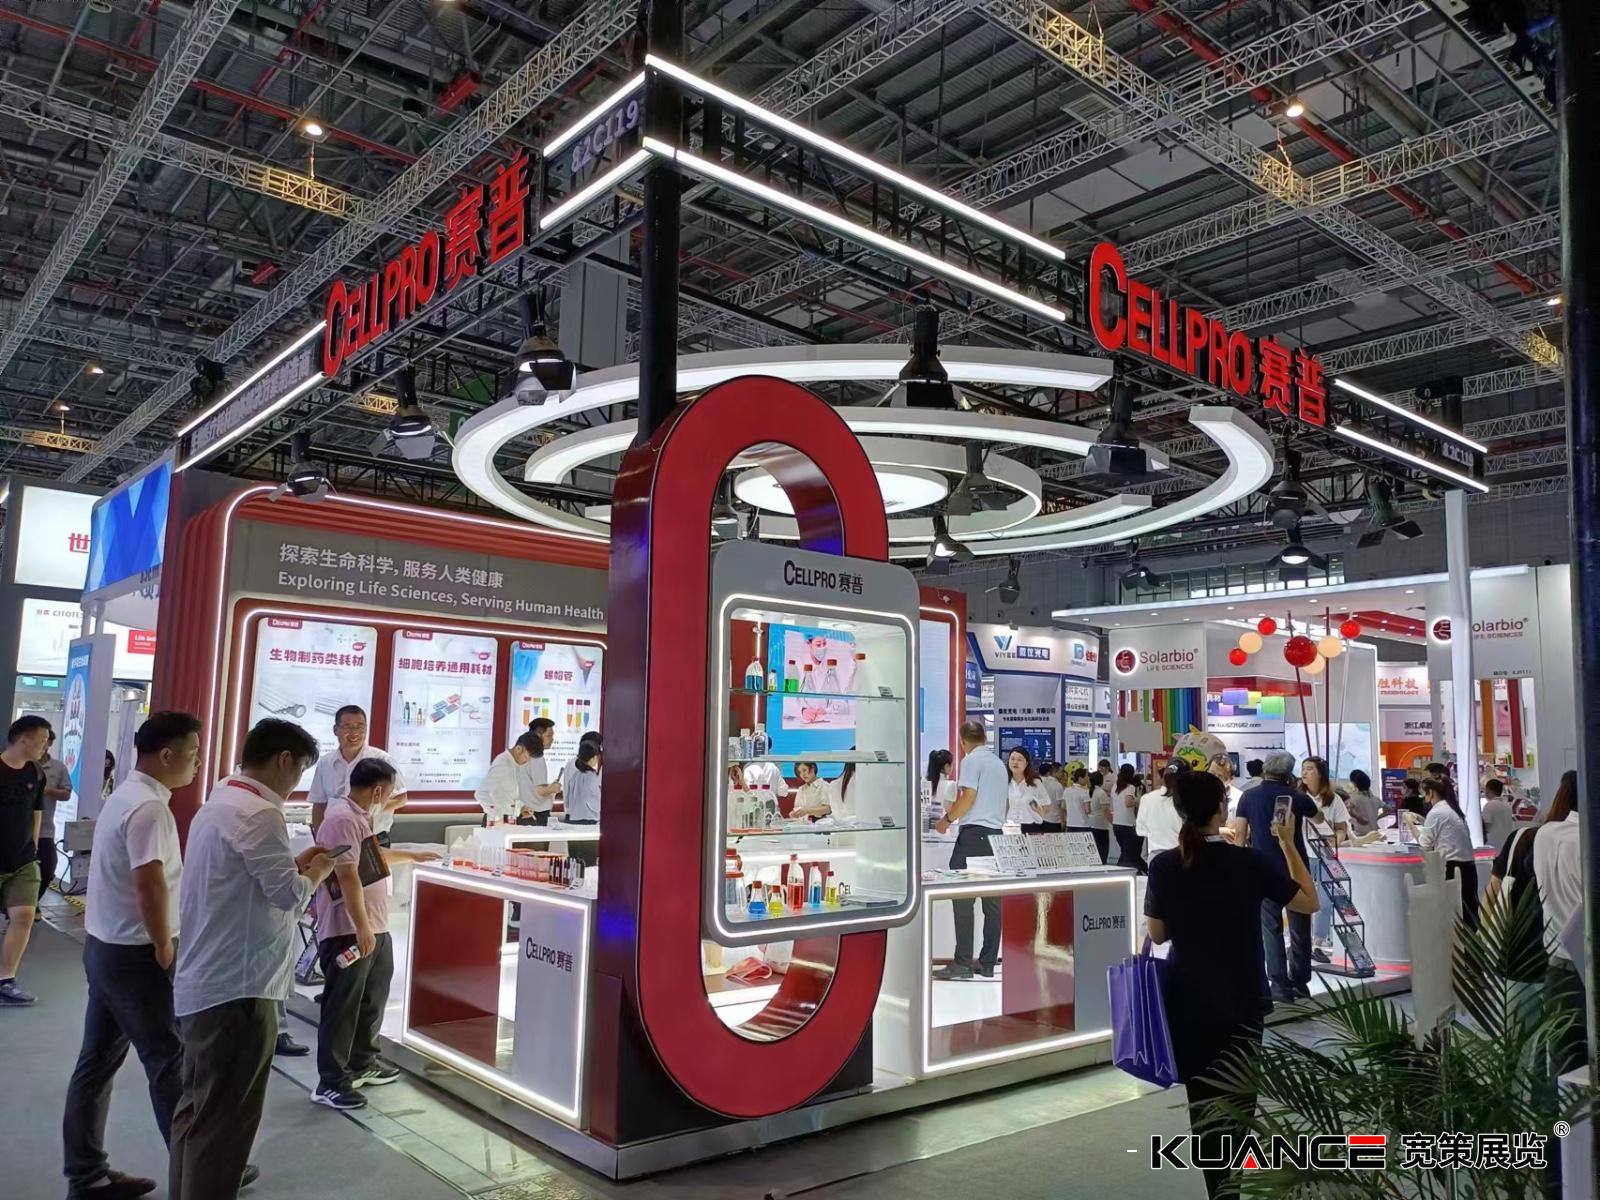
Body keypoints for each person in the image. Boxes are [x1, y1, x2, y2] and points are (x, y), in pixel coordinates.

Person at [169, 719, 335, 1200]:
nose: (297, 782)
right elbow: (287, 895)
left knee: (196, 1111)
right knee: (226, 1124)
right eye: (300, 769)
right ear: (284, 760)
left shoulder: (221, 799)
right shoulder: (261, 813)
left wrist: (294, 866)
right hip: (240, 988)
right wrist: (318, 870)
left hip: (205, 979)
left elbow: (249, 880)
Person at [1146, 770, 1319, 1200]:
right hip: (1242, 1000)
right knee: (1239, 1104)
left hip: (1188, 1002)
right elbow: (1308, 902)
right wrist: (1287, 843)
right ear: (1221, 809)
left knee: (1203, 1106)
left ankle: (1218, 1192)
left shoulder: (1165, 865)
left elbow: (1158, 934)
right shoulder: (1248, 862)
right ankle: (1233, 1190)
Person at [62, 712, 203, 1200]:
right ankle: (197, 1173)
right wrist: (164, 945)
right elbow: (149, 883)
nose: (197, 762)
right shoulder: (149, 809)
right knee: (169, 1061)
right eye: (193, 752)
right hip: (136, 955)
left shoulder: (127, 795)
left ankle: (87, 1175)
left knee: (96, 1063)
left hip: (105, 949)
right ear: (166, 755)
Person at [311, 758, 438, 1109]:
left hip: (375, 924)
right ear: (379, 791)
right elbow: (347, 875)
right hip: (349, 929)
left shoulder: (359, 817)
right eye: (391, 792)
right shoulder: (341, 819)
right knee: (343, 1004)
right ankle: (331, 1081)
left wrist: (412, 856)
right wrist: (362, 927)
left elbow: (371, 857)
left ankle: (362, 1061)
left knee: (372, 996)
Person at [1234, 750, 1318, 1002]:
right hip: (1295, 868)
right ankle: (1300, 983)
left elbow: (1240, 835)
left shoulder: (1248, 796)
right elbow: (1318, 816)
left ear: (1265, 769)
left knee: (1270, 928)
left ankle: (1279, 986)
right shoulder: (1296, 797)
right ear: (1288, 773)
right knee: (1300, 929)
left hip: (1263, 870)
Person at [932, 721, 1006, 980]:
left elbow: (969, 797)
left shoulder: (971, 761)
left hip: (974, 835)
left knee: (962, 897)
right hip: (996, 836)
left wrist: (947, 820)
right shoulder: (998, 764)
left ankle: (962, 962)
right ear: (984, 737)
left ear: (963, 742)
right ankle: (987, 962)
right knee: (992, 904)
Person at [1531, 770, 1586, 1072]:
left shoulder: (1544, 835)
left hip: (1558, 965)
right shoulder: (1586, 840)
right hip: (1586, 968)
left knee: (1565, 1066)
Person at [0, 714, 51, 1005]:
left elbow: (36, 813)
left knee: (23, 916)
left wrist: (32, 850)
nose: (45, 746)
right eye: (41, 741)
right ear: (23, 740)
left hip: (23, 861)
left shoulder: (36, 773)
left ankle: (5, 979)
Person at [307, 705, 406, 843]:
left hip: (373, 838)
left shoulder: (383, 760)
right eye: (348, 727)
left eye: (360, 727)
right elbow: (319, 805)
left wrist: (369, 810)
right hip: (336, 837)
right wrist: (319, 839)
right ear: (335, 730)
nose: (355, 732)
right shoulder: (325, 763)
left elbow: (401, 798)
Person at [1404, 776, 1479, 929]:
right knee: (1469, 916)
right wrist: (1420, 819)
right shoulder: (1453, 810)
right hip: (1468, 868)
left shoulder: (1437, 812)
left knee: (1451, 917)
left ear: (1431, 792)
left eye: (1424, 794)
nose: (1423, 798)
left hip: (1451, 868)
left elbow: (1424, 844)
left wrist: (1409, 823)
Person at [1300, 756, 1349, 963]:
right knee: (1300, 900)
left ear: (1320, 773)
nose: (1304, 772)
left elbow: (1341, 829)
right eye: (1303, 768)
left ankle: (1317, 943)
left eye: (1309, 769)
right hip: (1301, 854)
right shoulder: (1297, 796)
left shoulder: (1334, 800)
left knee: (1325, 900)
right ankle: (1299, 941)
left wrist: (1335, 840)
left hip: (1325, 856)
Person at [36, 729, 72, 903]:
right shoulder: (24, 764)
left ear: (50, 743)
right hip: (20, 830)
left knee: (48, 870)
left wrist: (47, 790)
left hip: (45, 830)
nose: (42, 744)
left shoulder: (58, 768)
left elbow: (66, 794)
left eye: (45, 740)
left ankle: (33, 903)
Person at [476, 733, 542, 825]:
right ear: (518, 749)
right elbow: (481, 793)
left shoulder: (514, 763)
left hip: (509, 818)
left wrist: (521, 807)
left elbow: (507, 794)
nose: (527, 761)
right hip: (497, 821)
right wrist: (497, 816)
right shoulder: (503, 764)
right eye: (527, 757)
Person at [563, 738, 602, 867]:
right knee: (587, 863)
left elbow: (567, 799)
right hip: (588, 823)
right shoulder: (591, 776)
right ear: (594, 757)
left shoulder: (575, 775)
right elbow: (595, 802)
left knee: (575, 863)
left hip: (573, 820)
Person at [1136, 763, 1185, 863]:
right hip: (1181, 855)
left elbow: (1141, 831)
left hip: (1155, 855)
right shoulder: (1185, 800)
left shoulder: (1147, 798)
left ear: (1163, 777)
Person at [519, 717, 562, 824]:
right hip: (536, 814)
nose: (552, 739)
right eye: (549, 736)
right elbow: (540, 791)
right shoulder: (537, 758)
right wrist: (553, 788)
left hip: (523, 811)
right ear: (538, 735)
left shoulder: (521, 754)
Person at [1004, 747, 1056, 832]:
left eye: (1019, 760)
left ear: (1026, 763)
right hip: (1010, 827)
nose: (1015, 762)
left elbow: (1046, 804)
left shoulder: (1035, 783)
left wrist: (1039, 811)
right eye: (1012, 759)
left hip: (1031, 826)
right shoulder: (1005, 782)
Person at [1110, 763, 1144, 872]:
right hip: (1128, 824)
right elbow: (1128, 803)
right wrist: (1139, 801)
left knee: (1128, 852)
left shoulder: (1115, 786)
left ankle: (1145, 869)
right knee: (1129, 853)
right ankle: (1118, 872)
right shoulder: (1130, 787)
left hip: (1116, 823)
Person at [1084, 770, 1113, 862]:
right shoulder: (1101, 793)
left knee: (1093, 849)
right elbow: (1106, 811)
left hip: (1090, 822)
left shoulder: (1088, 791)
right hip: (1101, 824)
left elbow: (1087, 809)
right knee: (1102, 849)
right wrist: (1112, 822)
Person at [1479, 778, 1515, 853]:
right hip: (1506, 847)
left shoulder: (1490, 805)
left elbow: (1484, 826)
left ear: (1488, 790)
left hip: (1493, 848)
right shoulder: (1507, 806)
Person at [1205, 753, 1242, 819]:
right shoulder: (1199, 795)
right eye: (1212, 774)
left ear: (1230, 779)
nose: (1214, 779)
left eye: (1220, 776)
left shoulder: (1240, 798)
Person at [1344, 769, 1380, 837]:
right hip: (1363, 831)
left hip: (1359, 831)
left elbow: (1364, 820)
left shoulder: (1354, 798)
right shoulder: (1371, 797)